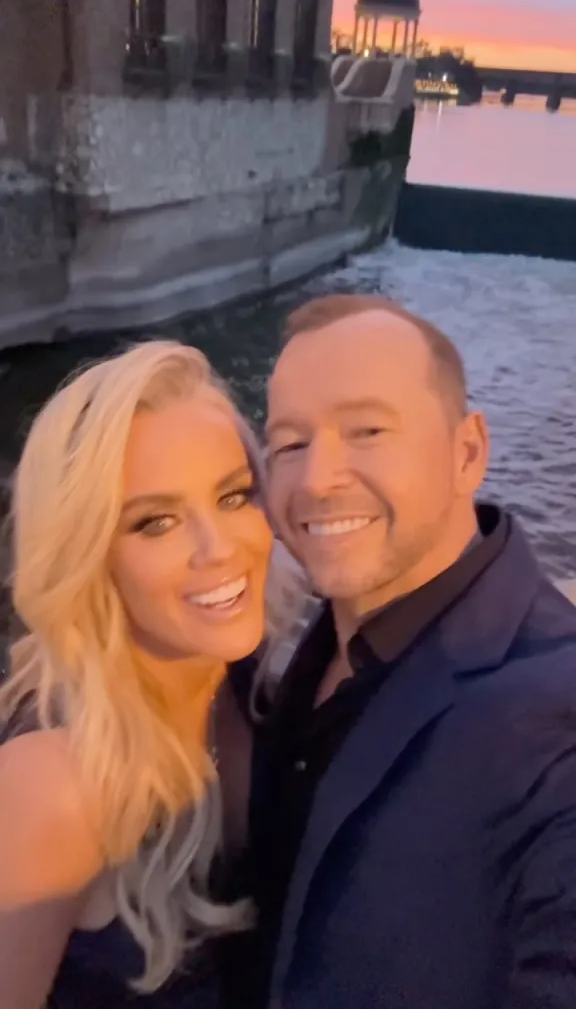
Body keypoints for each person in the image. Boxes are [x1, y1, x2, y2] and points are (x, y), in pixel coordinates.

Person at [228, 294, 576, 1009]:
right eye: (289, 444)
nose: (317, 478)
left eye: (367, 431)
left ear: (467, 453)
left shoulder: (550, 720)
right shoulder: (296, 665)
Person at [0, 339, 289, 1009]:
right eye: (156, 523)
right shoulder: (51, 787)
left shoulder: (259, 695)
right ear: (87, 555)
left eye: (233, 496)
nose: (219, 549)